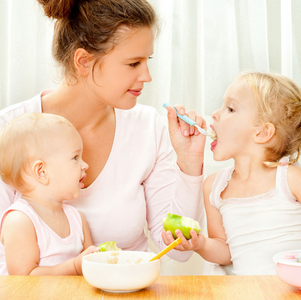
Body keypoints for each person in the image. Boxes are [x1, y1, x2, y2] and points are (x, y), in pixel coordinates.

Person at [0, 0, 206, 262]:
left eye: (148, 60)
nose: (147, 76)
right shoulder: (9, 129)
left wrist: (189, 165)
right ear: (84, 61)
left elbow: (178, 250)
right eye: (133, 63)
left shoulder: (147, 127)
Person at [162, 71, 301, 274]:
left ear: (262, 132)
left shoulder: (289, 179)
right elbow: (226, 251)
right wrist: (200, 244)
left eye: (230, 108)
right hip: (242, 292)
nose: (215, 114)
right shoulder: (215, 187)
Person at [0, 113, 99, 275]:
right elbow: (23, 279)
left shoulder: (76, 219)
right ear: (42, 172)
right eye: (75, 157)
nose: (85, 165)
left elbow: (91, 264)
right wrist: (74, 266)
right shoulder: (20, 220)